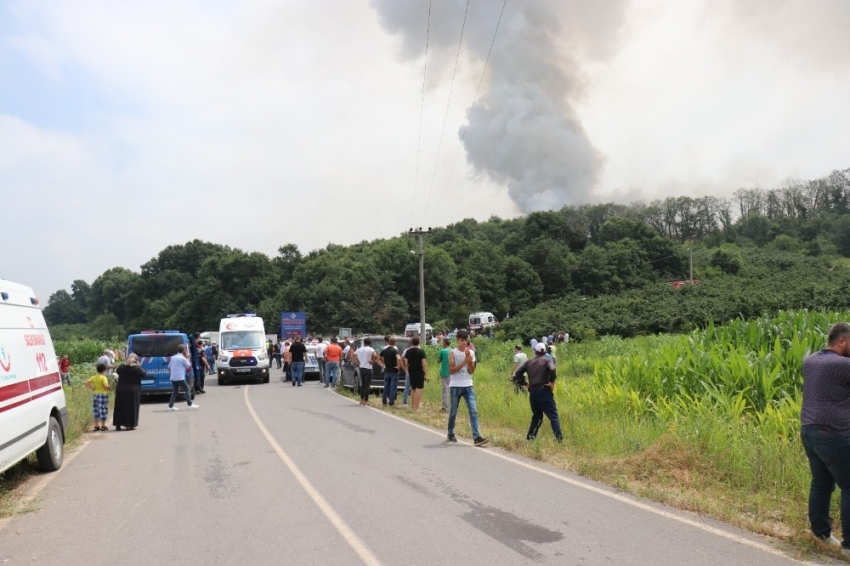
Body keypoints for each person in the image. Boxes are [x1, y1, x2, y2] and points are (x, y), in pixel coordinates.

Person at [801, 322, 850, 552]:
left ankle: (821, 534)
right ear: (842, 341)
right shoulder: (843, 365)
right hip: (833, 434)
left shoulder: (811, 361)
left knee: (821, 483)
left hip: (809, 431)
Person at [447, 330, 488, 446]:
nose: (464, 343)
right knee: (453, 411)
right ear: (457, 340)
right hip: (455, 386)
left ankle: (477, 437)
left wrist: (469, 360)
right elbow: (451, 370)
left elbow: (471, 371)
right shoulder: (452, 353)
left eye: (466, 340)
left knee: (473, 410)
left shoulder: (471, 352)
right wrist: (464, 361)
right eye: (462, 340)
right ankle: (450, 432)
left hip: (468, 385)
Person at [514, 343, 562, 442]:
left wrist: (525, 383)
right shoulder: (547, 360)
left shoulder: (529, 362)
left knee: (537, 416)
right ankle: (559, 439)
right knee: (553, 416)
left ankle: (531, 438)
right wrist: (552, 382)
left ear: (535, 351)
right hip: (544, 390)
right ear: (545, 351)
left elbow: (518, 373)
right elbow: (552, 369)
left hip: (533, 392)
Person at [113, 354, 146, 431]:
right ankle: (129, 425)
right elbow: (144, 374)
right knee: (131, 407)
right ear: (136, 360)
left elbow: (117, 371)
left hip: (121, 389)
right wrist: (139, 365)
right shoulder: (137, 368)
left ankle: (118, 424)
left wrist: (126, 364)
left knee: (119, 407)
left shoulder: (121, 367)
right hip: (133, 390)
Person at [168, 344, 199, 411]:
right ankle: (189, 404)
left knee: (175, 392)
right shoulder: (182, 358)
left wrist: (171, 375)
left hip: (173, 377)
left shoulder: (173, 357)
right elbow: (188, 365)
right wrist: (187, 357)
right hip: (180, 377)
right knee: (187, 389)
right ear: (184, 350)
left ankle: (170, 406)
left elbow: (169, 367)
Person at [84, 363, 111, 431]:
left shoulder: (94, 377)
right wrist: (109, 387)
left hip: (96, 395)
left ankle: (96, 426)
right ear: (104, 370)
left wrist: (92, 388)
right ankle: (103, 425)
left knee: (96, 409)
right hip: (103, 395)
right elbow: (105, 385)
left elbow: (86, 383)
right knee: (103, 409)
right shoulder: (103, 377)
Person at [404, 337, 427, 411]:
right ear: (419, 342)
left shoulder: (408, 351)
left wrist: (407, 370)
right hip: (419, 372)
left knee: (413, 389)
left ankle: (413, 406)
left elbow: (406, 362)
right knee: (418, 389)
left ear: (411, 342)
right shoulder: (421, 351)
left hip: (411, 372)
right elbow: (424, 363)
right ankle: (416, 408)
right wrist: (426, 374)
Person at [354, 338, 378, 405]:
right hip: (368, 368)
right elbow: (375, 355)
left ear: (364, 343)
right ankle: (366, 400)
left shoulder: (359, 350)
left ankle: (361, 400)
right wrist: (372, 361)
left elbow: (352, 356)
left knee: (363, 385)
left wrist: (357, 363)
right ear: (370, 343)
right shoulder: (370, 349)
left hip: (361, 367)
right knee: (367, 386)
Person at [379, 337, 401, 406]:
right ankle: (391, 402)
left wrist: (382, 365)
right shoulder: (395, 350)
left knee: (386, 386)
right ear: (395, 343)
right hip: (394, 371)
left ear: (388, 342)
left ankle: (384, 401)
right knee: (393, 387)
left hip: (386, 370)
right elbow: (399, 358)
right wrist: (398, 366)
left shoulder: (384, 350)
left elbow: (377, 358)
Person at [437, 337, 452, 412]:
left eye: (443, 342)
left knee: (445, 390)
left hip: (445, 373)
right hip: (453, 373)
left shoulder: (443, 351)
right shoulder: (453, 351)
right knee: (452, 390)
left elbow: (438, 361)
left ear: (445, 343)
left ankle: (445, 407)